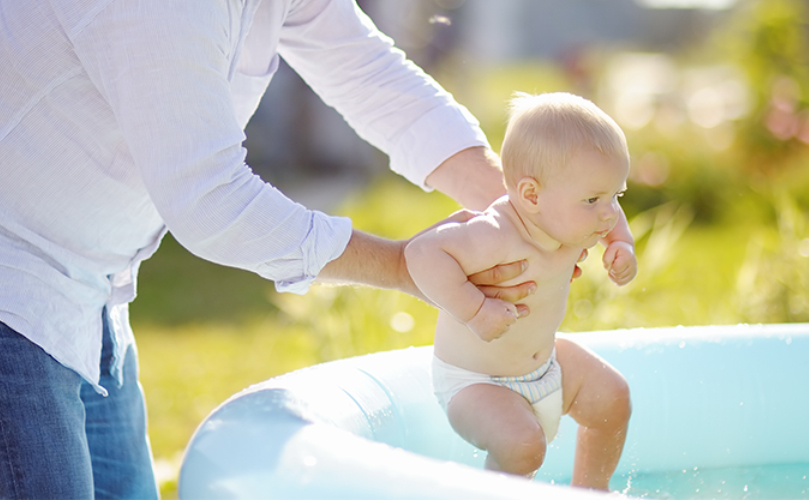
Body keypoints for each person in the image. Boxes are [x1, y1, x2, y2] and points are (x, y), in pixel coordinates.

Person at [0, 1, 537, 498]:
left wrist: (529, 212)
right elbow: (211, 201)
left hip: (87, 295)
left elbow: (368, 75)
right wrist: (402, 265)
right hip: (14, 291)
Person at [405, 92, 636, 490]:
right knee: (523, 447)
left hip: (545, 365)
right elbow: (422, 253)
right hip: (477, 381)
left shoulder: (572, 218)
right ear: (531, 195)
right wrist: (475, 310)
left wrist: (623, 245)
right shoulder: (495, 234)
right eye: (594, 199)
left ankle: (591, 491)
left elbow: (611, 216)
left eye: (616, 195)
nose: (609, 213)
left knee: (613, 398)